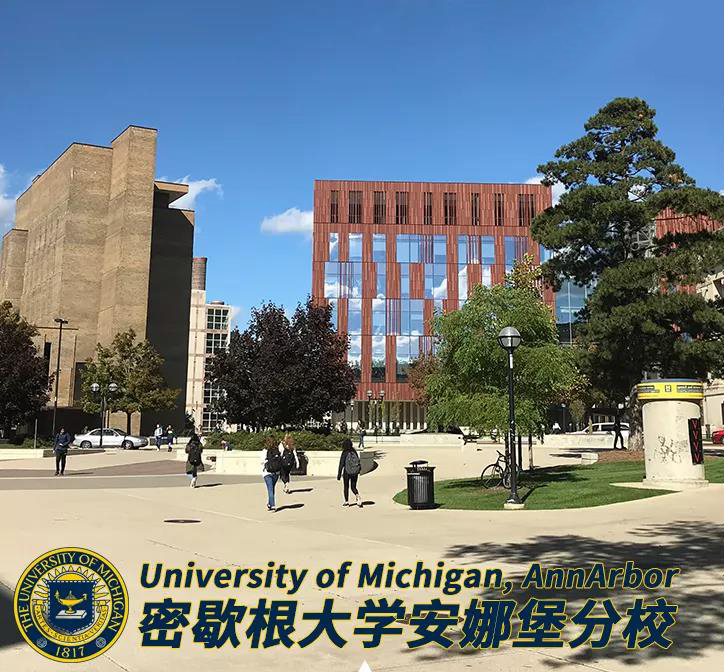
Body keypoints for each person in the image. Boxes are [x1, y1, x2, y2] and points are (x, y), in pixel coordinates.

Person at [337, 438, 362, 507]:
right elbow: (358, 461)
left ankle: (346, 502)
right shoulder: (354, 451)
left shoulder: (345, 452)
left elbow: (341, 464)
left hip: (347, 472)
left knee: (346, 487)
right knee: (353, 487)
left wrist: (339, 474)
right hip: (355, 472)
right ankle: (357, 495)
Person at [261, 437, 282, 511]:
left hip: (267, 473)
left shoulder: (264, 451)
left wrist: (267, 461)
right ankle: (270, 504)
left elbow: (262, 461)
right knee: (272, 488)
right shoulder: (277, 450)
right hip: (276, 472)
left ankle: (272, 504)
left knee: (270, 489)